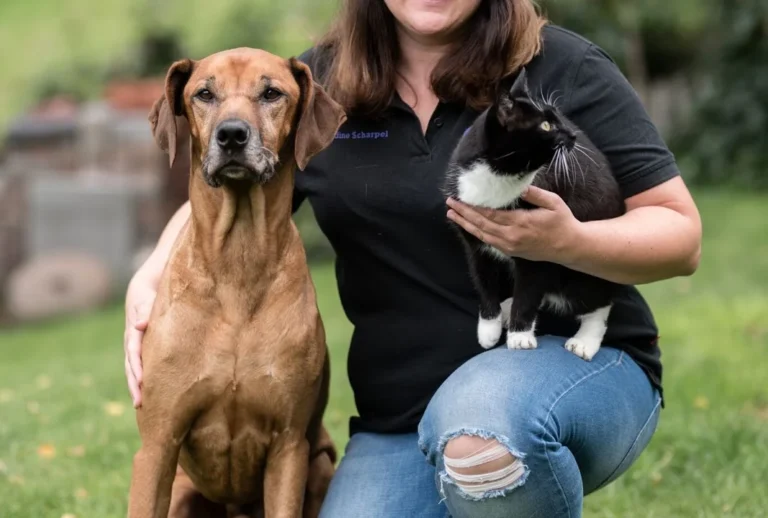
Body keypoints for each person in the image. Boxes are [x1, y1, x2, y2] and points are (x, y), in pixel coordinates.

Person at [123, 0, 702, 516]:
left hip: (570, 367)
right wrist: (149, 277)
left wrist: (566, 242)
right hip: (401, 419)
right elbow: (240, 181)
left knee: (483, 437)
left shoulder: (561, 68)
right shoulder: (316, 82)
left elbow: (680, 233)